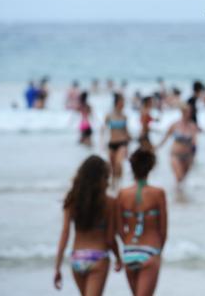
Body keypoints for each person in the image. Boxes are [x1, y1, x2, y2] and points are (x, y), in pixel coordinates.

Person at [54, 156, 121, 295]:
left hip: (77, 258)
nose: (107, 182)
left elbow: (65, 234)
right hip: (98, 258)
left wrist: (57, 267)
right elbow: (109, 239)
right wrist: (118, 257)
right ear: (101, 178)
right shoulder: (109, 202)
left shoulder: (72, 200)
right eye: (106, 178)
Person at [117, 148, 167, 296]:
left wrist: (127, 245)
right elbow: (163, 230)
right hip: (150, 250)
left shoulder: (122, 194)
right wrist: (158, 252)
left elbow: (120, 228)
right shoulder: (158, 193)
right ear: (150, 167)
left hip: (129, 251)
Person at [158, 104, 201, 190]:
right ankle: (178, 197)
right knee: (179, 177)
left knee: (183, 180)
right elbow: (165, 138)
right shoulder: (175, 125)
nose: (188, 114)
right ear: (182, 112)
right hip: (175, 155)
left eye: (189, 112)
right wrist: (156, 147)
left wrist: (194, 156)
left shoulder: (193, 126)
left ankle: (179, 197)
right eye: (186, 112)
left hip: (188, 156)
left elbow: (195, 142)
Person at [103, 93, 131, 189]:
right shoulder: (109, 116)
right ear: (117, 103)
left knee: (119, 163)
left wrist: (129, 145)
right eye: (122, 102)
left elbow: (126, 131)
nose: (123, 104)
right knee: (112, 165)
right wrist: (102, 142)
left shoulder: (124, 116)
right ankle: (114, 182)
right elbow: (103, 129)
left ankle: (120, 183)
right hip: (112, 142)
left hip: (122, 142)